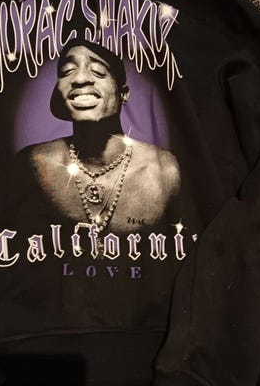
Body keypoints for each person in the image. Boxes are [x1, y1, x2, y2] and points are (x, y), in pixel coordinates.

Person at [20, 37, 181, 243]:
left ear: (123, 94)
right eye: (67, 71)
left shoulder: (166, 170)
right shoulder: (32, 164)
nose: (79, 79)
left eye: (97, 71)